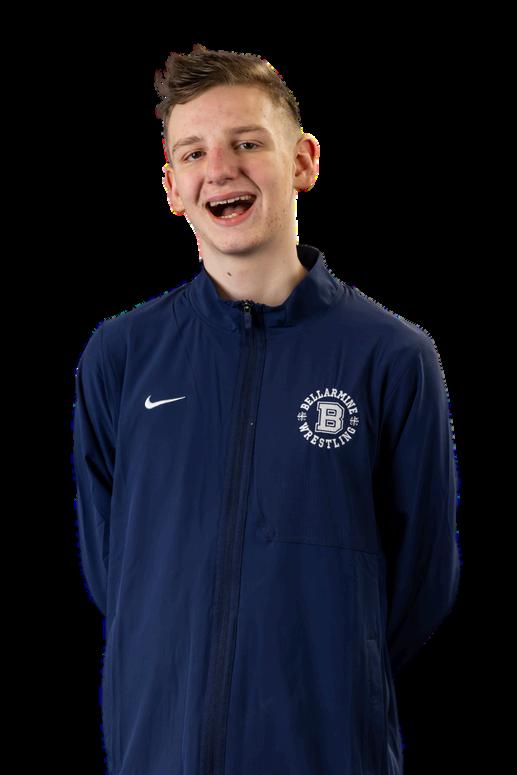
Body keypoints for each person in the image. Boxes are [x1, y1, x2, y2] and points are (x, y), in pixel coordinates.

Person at [73, 43, 461, 775]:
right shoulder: (121, 356)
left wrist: (324, 669)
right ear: (172, 187)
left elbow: (421, 585)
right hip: (156, 752)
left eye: (248, 143)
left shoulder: (391, 356)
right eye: (193, 153)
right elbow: (114, 572)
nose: (220, 168)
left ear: (304, 161)